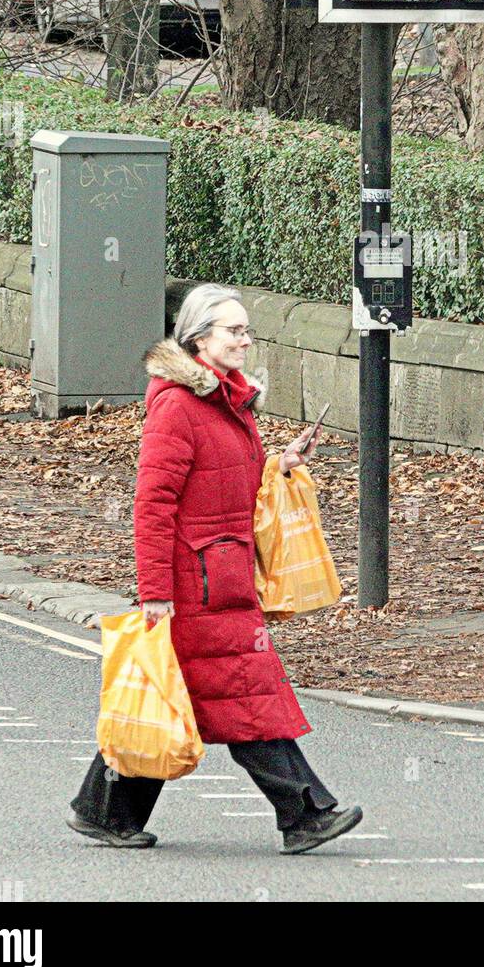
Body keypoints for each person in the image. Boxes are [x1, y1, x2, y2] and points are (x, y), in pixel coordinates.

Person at [68, 283, 362, 853]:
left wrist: (280, 463)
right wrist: (155, 592)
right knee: (243, 696)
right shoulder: (178, 405)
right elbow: (153, 505)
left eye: (247, 331)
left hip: (223, 577)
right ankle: (304, 815)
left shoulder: (227, 401)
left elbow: (228, 482)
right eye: (234, 331)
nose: (245, 341)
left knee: (184, 696)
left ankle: (102, 809)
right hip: (191, 585)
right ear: (199, 338)